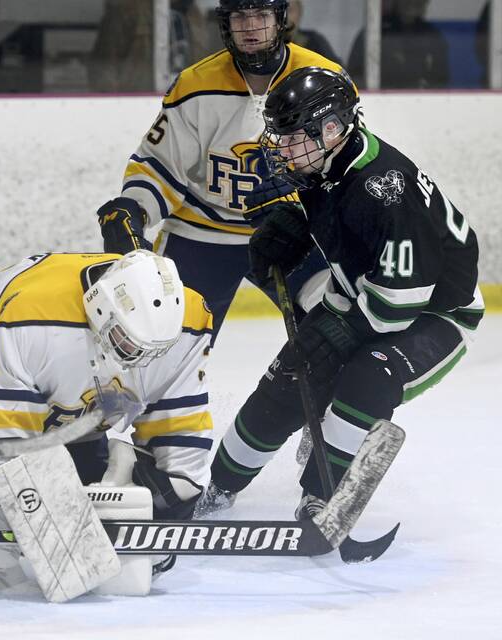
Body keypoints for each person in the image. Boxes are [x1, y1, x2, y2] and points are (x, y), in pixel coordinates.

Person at [199, 66, 483, 517]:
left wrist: (338, 332)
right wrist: (298, 227)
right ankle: (217, 488)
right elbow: (352, 250)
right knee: (290, 375)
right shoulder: (327, 164)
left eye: (294, 138)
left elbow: (401, 301)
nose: (284, 149)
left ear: (332, 129)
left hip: (434, 314)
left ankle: (321, 497)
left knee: (366, 378)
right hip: (367, 297)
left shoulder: (380, 189)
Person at [95, 0, 349, 341]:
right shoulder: (195, 85)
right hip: (201, 233)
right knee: (159, 340)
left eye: (261, 15)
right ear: (226, 23)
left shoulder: (322, 78)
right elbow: (161, 166)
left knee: (336, 328)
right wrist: (135, 209)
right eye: (240, 16)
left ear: (280, 19)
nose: (251, 27)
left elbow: (343, 167)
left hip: (293, 232)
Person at [0, 249, 214, 523]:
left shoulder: (186, 324)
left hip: (68, 418)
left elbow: (180, 441)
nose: (142, 362)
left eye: (154, 352)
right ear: (102, 310)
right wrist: (36, 511)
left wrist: (172, 496)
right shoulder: (33, 316)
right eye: (129, 344)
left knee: (100, 515)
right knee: (0, 529)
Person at [347, 0, 450, 89]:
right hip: (382, 101)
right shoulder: (374, 33)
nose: (413, 3)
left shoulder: (432, 36)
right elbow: (353, 77)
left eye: (419, 0)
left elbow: (441, 80)